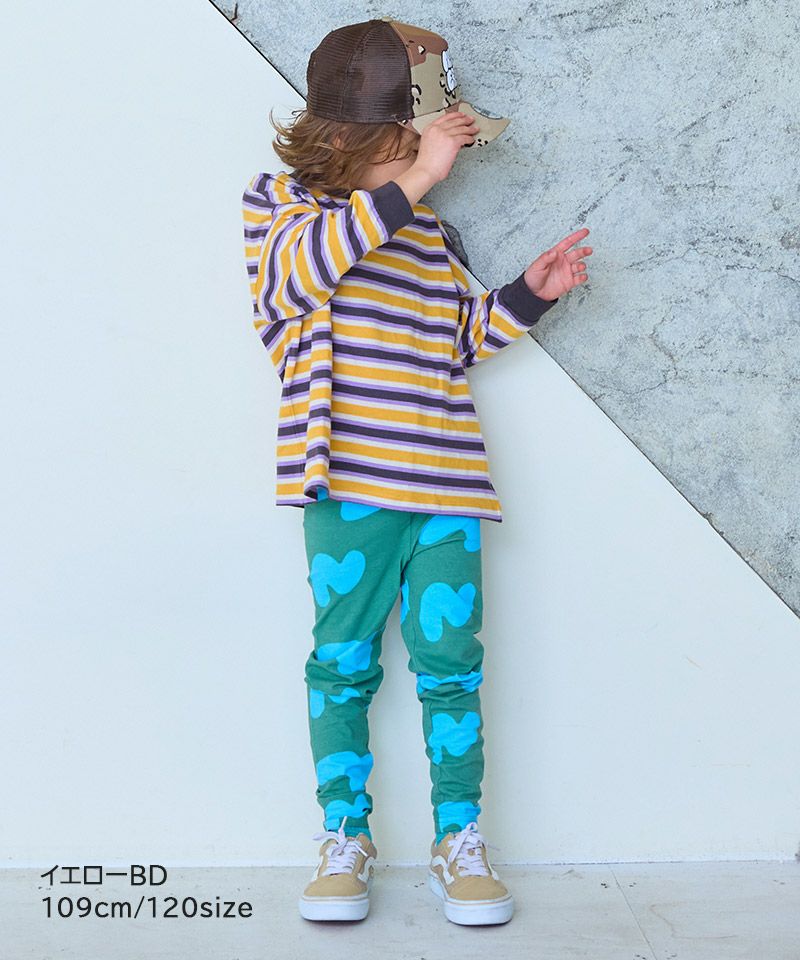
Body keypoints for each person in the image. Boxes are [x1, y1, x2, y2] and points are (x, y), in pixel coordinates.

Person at [241, 16, 592, 926]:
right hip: (349, 486)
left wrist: (529, 295)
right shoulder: (281, 211)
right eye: (421, 140)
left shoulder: (427, 239)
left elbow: (457, 340)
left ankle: (458, 838)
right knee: (342, 665)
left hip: (443, 486)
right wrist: (420, 178)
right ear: (366, 135)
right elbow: (299, 277)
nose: (438, 159)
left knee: (452, 668)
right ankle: (343, 835)